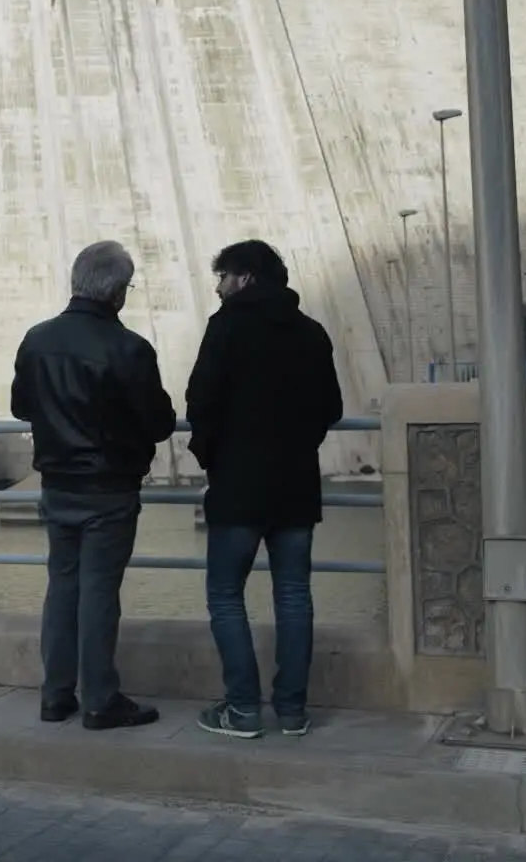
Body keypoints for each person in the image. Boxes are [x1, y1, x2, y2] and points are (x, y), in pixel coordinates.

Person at [11, 240, 178, 731]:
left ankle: (55, 694)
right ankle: (101, 699)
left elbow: (22, 406)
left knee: (62, 586)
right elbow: (160, 422)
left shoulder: (37, 339)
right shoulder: (129, 349)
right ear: (118, 293)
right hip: (109, 488)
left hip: (57, 484)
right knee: (100, 591)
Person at [184, 240, 343, 740]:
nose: (218, 286)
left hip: (238, 486)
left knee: (227, 595)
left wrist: (213, 458)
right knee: (294, 596)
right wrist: (298, 446)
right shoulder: (311, 332)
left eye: (224, 276)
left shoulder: (226, 326)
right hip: (296, 486)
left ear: (246, 278)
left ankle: (243, 709)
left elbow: (200, 401)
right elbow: (331, 408)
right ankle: (292, 712)